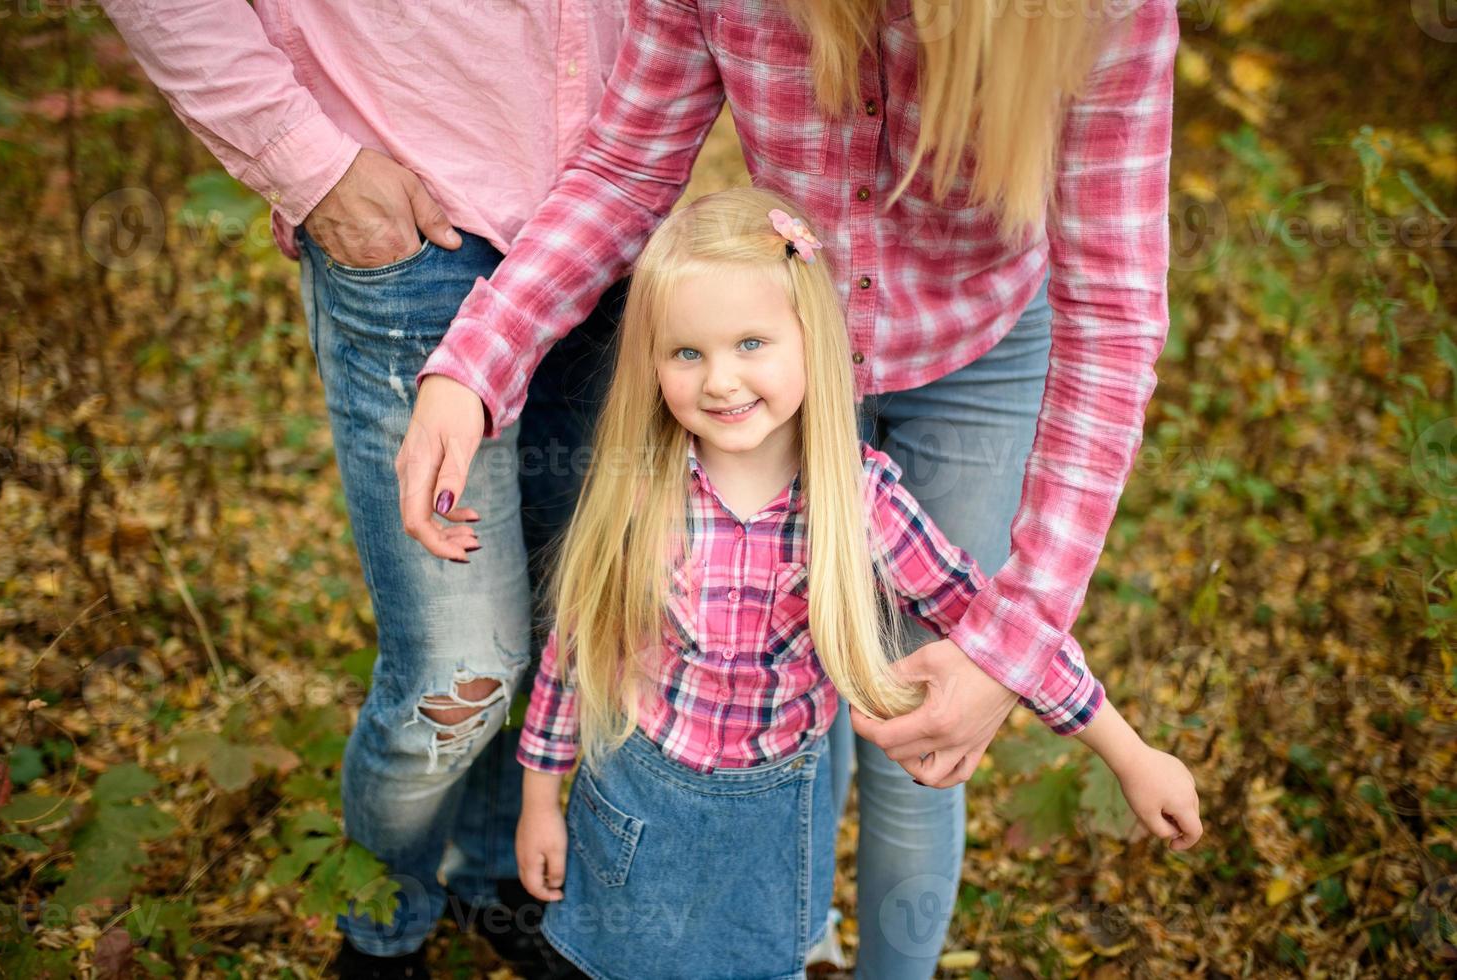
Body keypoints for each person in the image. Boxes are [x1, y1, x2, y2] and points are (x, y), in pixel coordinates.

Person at [397, 0, 1180, 973]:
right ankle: (788, 941)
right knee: (811, 668)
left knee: (921, 730)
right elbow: (626, 169)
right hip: (792, 356)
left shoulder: (1098, 15)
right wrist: (473, 362)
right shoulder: (682, 467)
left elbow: (1111, 310)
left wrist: (1029, 662)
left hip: (981, 348)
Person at [509, 188, 1201, 980]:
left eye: (751, 343)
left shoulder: (856, 500)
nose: (722, 381)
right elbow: (576, 646)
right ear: (653, 362)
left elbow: (997, 629)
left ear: (811, 341)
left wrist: (1129, 752)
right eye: (688, 353)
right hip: (635, 804)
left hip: (768, 831)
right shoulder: (639, 489)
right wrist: (538, 799)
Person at [98, 1, 630, 975]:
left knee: (568, 610)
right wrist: (312, 164)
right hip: (423, 226)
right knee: (460, 669)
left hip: (612, 216)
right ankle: (383, 929)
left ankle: (493, 877)